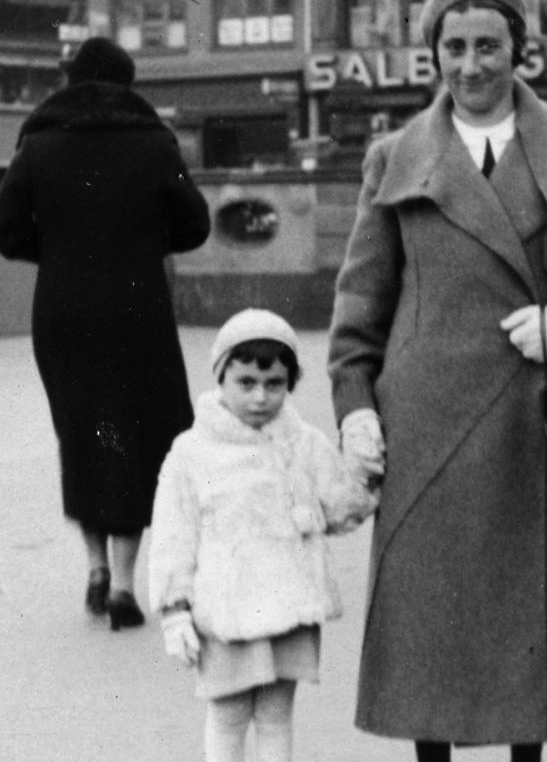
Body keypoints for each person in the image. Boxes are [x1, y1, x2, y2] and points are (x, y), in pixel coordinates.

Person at [327, 0, 547, 762]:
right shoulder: (394, 156)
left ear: (521, 52)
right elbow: (359, 303)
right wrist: (356, 408)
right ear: (433, 54)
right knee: (429, 623)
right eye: (453, 47)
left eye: (488, 46)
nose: (470, 65)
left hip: (533, 422)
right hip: (425, 423)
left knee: (528, 626)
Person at [0, 37, 210, 629]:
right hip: (137, 307)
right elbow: (196, 224)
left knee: (84, 430)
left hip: (64, 311)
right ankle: (126, 584)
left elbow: (3, 228)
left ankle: (94, 566)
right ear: (127, 84)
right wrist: (144, 243)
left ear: (72, 81)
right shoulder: (155, 142)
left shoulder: (37, 143)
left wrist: (57, 255)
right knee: (132, 433)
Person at [148, 308, 381, 762]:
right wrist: (175, 610)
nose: (260, 397)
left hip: (290, 609)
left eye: (274, 384)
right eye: (246, 383)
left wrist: (363, 472)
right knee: (228, 718)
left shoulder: (303, 442)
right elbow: (173, 536)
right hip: (226, 614)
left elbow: (338, 508)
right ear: (221, 378)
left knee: (276, 717)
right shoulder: (192, 453)